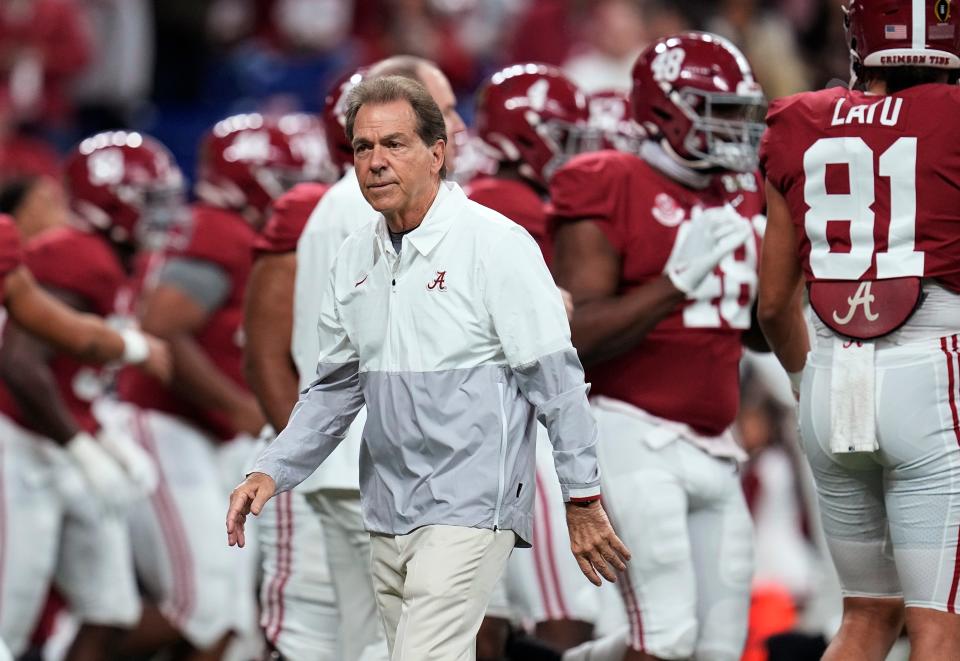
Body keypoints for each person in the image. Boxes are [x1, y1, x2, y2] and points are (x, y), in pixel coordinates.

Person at [228, 74, 629, 661]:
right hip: (388, 504)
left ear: (437, 153)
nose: (376, 162)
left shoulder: (496, 244)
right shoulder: (353, 255)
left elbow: (558, 384)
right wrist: (274, 468)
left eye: (395, 144)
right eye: (363, 147)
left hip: (470, 506)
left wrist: (583, 498)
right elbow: (335, 390)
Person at [551, 32, 766, 661]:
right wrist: (676, 282)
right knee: (666, 640)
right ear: (666, 110)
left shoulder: (739, 192)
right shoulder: (608, 179)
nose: (732, 130)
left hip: (716, 446)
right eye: (715, 110)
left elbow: (747, 326)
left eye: (738, 113)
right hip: (628, 431)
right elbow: (575, 337)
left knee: (720, 647)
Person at [757, 2, 960, 659]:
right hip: (931, 374)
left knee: (866, 614)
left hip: (830, 382)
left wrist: (801, 378)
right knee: (939, 624)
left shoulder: (797, 119)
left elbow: (770, 302)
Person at [103, 113, 320, 660]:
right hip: (166, 425)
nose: (296, 192)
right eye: (283, 179)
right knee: (204, 610)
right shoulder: (222, 230)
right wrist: (238, 405)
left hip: (202, 437)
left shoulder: (230, 230)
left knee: (234, 618)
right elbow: (162, 325)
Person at [0, 130, 183, 661]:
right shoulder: (71, 252)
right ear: (112, 202)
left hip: (59, 433)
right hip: (20, 441)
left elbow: (64, 346)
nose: (162, 215)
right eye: (150, 199)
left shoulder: (105, 255)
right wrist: (83, 448)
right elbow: (17, 361)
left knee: (111, 611)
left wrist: (101, 438)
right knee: (8, 624)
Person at [468, 62, 601, 653]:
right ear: (525, 134)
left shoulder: (499, 196)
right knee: (563, 610)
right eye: (563, 134)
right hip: (512, 421)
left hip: (488, 422)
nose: (575, 150)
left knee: (493, 616)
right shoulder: (502, 199)